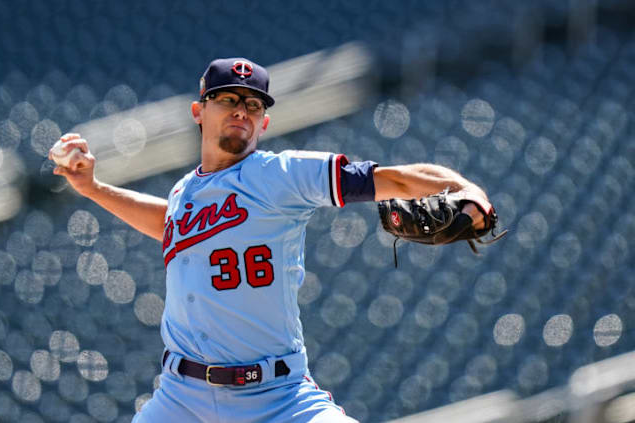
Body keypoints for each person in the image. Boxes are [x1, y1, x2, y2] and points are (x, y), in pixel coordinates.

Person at [51, 58, 492, 423]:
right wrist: (93, 188)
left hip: (279, 398)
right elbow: (171, 224)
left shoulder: (279, 175)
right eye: (228, 99)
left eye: (254, 104)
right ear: (198, 111)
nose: (242, 110)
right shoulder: (185, 192)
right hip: (180, 399)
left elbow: (391, 178)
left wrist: (466, 190)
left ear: (265, 122)